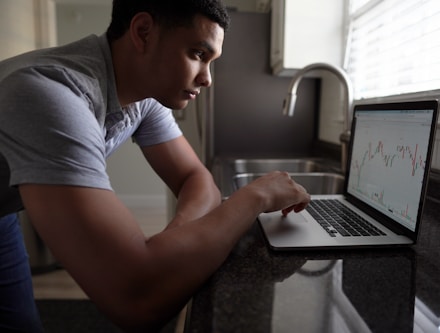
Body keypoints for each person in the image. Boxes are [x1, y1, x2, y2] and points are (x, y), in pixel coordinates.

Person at [0, 0, 310, 332]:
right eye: (197, 54)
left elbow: (197, 179)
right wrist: (254, 198)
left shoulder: (144, 97)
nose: (207, 79)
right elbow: (135, 299)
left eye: (211, 60)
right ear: (144, 32)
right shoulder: (48, 93)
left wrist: (171, 244)